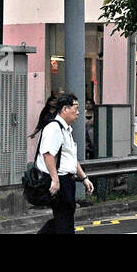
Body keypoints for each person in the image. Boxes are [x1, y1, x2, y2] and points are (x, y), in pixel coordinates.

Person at [35, 94, 94, 234]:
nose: (79, 112)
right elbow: (48, 154)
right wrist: (55, 180)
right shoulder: (54, 128)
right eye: (76, 108)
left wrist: (84, 178)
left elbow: (71, 158)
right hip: (60, 179)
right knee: (64, 220)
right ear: (65, 109)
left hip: (67, 180)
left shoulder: (65, 129)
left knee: (64, 218)